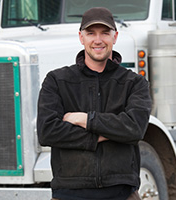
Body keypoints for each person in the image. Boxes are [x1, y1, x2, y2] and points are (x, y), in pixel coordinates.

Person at [37, 7, 152, 200]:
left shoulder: (134, 83)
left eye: (105, 33)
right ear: (81, 38)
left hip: (121, 193)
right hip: (68, 193)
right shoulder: (57, 80)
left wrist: (84, 119)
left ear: (115, 37)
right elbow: (47, 131)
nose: (98, 40)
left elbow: (135, 128)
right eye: (91, 33)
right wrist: (103, 134)